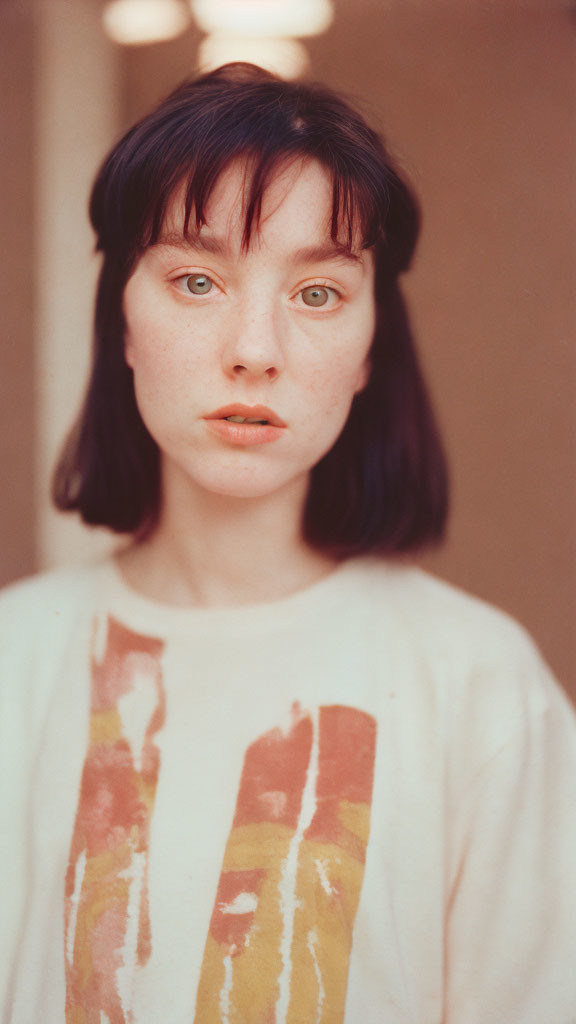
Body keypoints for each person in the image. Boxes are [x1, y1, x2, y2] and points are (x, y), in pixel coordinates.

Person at [0, 62, 574, 1024]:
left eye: (316, 293)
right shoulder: (15, 662)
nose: (254, 347)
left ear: (368, 348)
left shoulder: (482, 687)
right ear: (124, 322)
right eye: (196, 279)